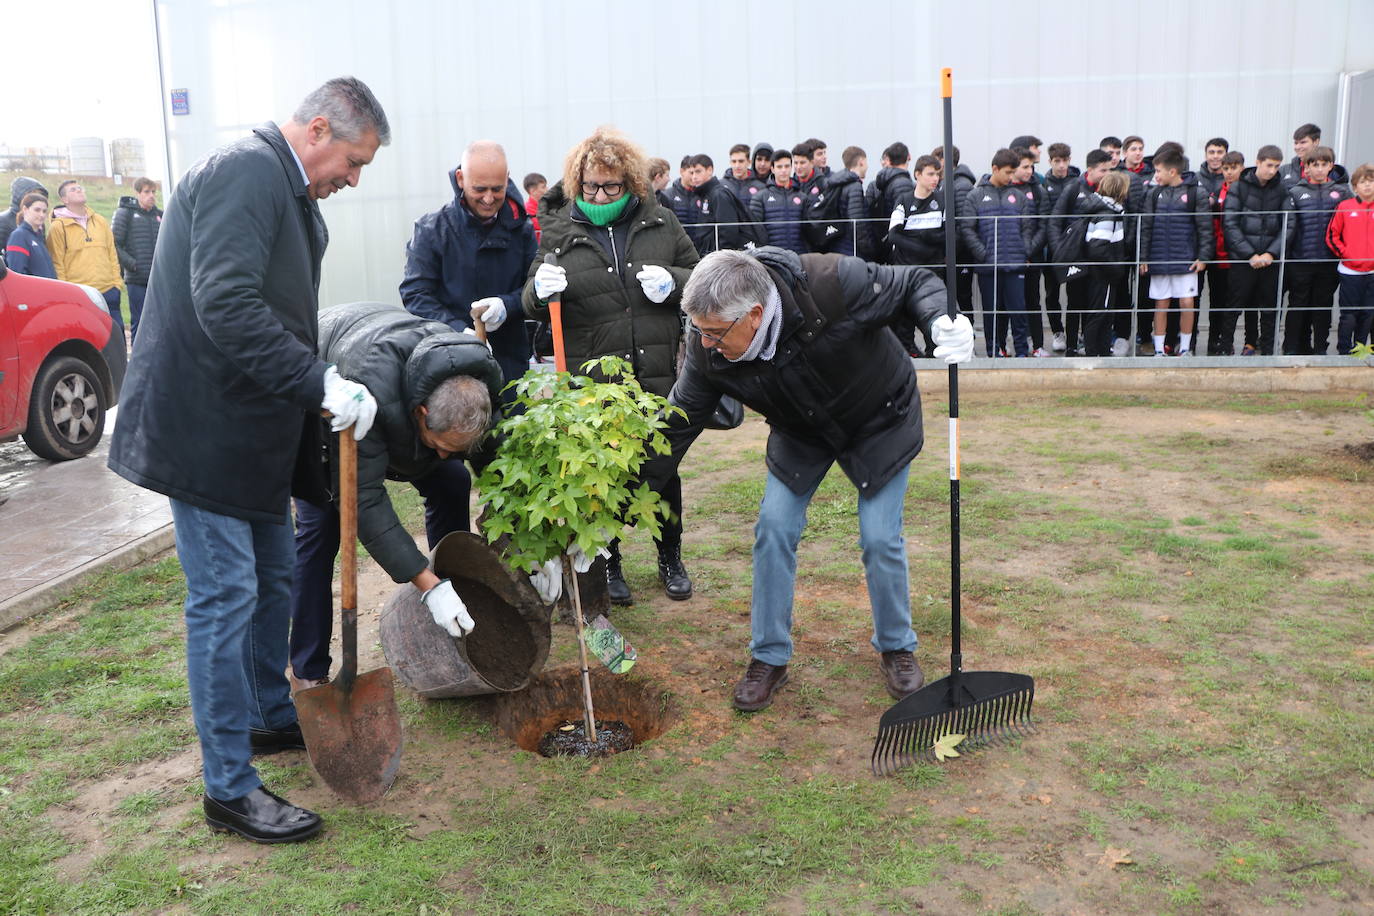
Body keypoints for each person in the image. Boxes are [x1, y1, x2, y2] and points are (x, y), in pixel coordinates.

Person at [107, 76, 390, 845]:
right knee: (226, 595)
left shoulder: (286, 190)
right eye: (354, 161)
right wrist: (316, 381)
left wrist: (318, 380)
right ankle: (228, 787)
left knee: (270, 578)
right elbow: (225, 304)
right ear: (320, 128)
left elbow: (280, 306)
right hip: (202, 430)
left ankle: (271, 712)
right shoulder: (245, 171)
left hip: (250, 433)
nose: (354, 180)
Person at [647, 246, 973, 711]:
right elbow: (672, 432)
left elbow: (915, 281)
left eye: (715, 334)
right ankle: (769, 656)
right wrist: (614, 509)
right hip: (801, 429)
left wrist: (940, 320)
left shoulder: (834, 284)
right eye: (698, 331)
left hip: (879, 417)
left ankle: (897, 647)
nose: (704, 344)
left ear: (754, 315)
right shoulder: (710, 354)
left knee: (880, 537)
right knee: (774, 529)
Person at [522, 127, 700, 604]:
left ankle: (670, 556)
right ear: (577, 183)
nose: (600, 195)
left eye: (611, 186)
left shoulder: (660, 222)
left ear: (631, 183)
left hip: (654, 370)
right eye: (591, 187)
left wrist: (675, 282)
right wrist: (539, 291)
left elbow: (701, 278)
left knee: (663, 470)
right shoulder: (559, 232)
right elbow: (532, 298)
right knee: (604, 474)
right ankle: (610, 561)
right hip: (596, 381)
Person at [289, 302, 504, 691]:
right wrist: (425, 584)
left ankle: (451, 598)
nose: (443, 454)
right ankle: (308, 668)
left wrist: (532, 542)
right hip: (329, 406)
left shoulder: (479, 382)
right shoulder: (370, 386)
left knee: (451, 478)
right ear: (421, 413)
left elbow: (499, 463)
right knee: (321, 529)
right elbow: (364, 501)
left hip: (392, 375)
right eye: (439, 444)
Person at [399, 140, 537, 391]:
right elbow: (416, 295)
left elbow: (533, 287)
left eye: (497, 189)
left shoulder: (522, 231)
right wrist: (458, 331)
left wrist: (507, 305)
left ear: (507, 179)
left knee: (512, 427)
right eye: (479, 189)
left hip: (510, 365)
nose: (488, 198)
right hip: (449, 365)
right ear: (461, 179)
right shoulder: (432, 230)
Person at [962, 148, 1042, 356]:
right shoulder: (975, 196)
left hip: (1015, 264)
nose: (1011, 176)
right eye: (1007, 172)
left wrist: (1024, 251)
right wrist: (983, 254)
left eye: (1013, 171)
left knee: (1018, 311)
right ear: (994, 169)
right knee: (992, 313)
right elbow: (967, 229)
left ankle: (1022, 352)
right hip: (989, 267)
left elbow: (1027, 227)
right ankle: (994, 350)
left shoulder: (1019, 196)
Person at [1138, 147, 1212, 357]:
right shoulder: (1153, 194)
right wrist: (1143, 257)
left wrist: (1203, 256)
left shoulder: (1196, 192)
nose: (1156, 175)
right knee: (1161, 304)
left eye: (1159, 171)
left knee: (1187, 303)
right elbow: (1146, 227)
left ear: (1172, 172)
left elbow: (1204, 228)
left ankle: (1186, 348)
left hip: (1186, 259)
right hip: (1159, 259)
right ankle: (1160, 350)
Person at [1282, 146, 1350, 354]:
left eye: (1324, 164)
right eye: (1315, 165)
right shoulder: (1295, 192)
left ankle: (1321, 348)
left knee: (1322, 307)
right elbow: (1289, 228)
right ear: (1307, 167)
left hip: (1329, 262)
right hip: (1300, 261)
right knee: (1297, 306)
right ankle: (1292, 348)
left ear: (1330, 166)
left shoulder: (1343, 193)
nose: (1319, 169)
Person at [1221, 145, 1288, 355]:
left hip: (1270, 261)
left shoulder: (1282, 189)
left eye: (1276, 166)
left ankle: (1268, 352)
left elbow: (1289, 225)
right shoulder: (1238, 188)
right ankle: (1224, 350)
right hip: (1243, 261)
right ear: (1258, 162)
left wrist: (1271, 254)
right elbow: (1230, 224)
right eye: (1269, 165)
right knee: (1233, 307)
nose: (1272, 170)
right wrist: (1249, 254)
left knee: (1269, 309)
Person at [1051, 149, 1115, 355]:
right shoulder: (1073, 188)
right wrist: (1060, 251)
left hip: (1098, 258)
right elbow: (1055, 220)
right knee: (1075, 303)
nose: (1107, 174)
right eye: (1103, 170)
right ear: (1090, 169)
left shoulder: (1110, 190)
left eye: (1109, 170)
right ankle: (1070, 345)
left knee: (1094, 304)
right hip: (1076, 258)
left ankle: (1091, 346)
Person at [47, 180, 124, 338]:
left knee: (117, 336)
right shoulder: (58, 227)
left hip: (109, 290)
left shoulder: (100, 221)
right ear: (65, 199)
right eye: (73, 190)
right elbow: (57, 264)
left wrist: (117, 283)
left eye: (80, 188)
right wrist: (67, 293)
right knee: (90, 338)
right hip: (81, 294)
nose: (79, 190)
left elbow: (112, 253)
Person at [1077, 171, 1135, 357]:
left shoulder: (1108, 211)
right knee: (1100, 313)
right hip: (1103, 274)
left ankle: (1101, 350)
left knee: (1104, 313)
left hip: (1101, 273)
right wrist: (1116, 267)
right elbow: (1097, 248)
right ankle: (1093, 352)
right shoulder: (1107, 215)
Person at [1325, 162, 1374, 354]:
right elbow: (1332, 235)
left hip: (1372, 272)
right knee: (1349, 315)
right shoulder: (1345, 206)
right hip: (1350, 271)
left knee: (1368, 313)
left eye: (1371, 181)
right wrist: (1346, 254)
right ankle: (1344, 350)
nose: (1367, 185)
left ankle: (1362, 348)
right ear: (1355, 187)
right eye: (1363, 182)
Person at [1012, 147, 1053, 356]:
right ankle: (1015, 343)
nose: (1029, 171)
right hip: (1010, 256)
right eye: (1025, 167)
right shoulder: (1005, 190)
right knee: (1012, 302)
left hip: (1033, 256)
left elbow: (1044, 225)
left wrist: (1029, 251)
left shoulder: (1038, 190)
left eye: (1031, 167)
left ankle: (1037, 345)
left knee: (1032, 300)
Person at [111, 177, 162, 343]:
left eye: (153, 192)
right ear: (137, 193)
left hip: (159, 279)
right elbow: (115, 244)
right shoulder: (125, 213)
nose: (151, 196)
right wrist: (132, 265)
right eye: (147, 192)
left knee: (160, 322)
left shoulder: (160, 216)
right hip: (137, 279)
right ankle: (137, 361)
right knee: (139, 322)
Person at [932, 144, 977, 322]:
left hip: (960, 254)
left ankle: (969, 335)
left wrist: (950, 251)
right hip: (950, 253)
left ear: (944, 160)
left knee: (963, 296)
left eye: (936, 161)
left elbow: (964, 224)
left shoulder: (961, 185)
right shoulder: (944, 184)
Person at [1205, 151, 1245, 354]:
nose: (1229, 172)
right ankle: (1214, 342)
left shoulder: (1247, 192)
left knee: (1233, 302)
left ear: (1242, 168)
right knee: (1216, 302)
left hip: (1238, 257)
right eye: (1226, 169)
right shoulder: (1217, 191)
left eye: (1233, 168)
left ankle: (1227, 342)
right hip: (1217, 255)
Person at [1041, 142, 1079, 351]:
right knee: (1051, 293)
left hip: (1074, 248)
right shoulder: (1044, 183)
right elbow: (1046, 218)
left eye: (1065, 160)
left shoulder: (1077, 182)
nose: (1062, 165)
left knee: (1076, 294)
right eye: (1057, 161)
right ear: (1050, 161)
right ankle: (1058, 331)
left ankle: (1075, 335)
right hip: (1052, 249)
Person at [688, 153, 752, 254]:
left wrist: (722, 257)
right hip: (707, 255)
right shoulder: (705, 194)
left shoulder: (719, 194)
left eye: (698, 172)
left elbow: (728, 231)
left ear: (709, 170)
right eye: (691, 173)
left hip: (718, 258)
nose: (694, 177)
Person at [750, 148, 807, 254]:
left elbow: (808, 230)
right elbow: (755, 231)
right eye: (779, 167)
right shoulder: (760, 197)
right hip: (771, 255)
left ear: (791, 168)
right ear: (772, 169)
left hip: (799, 255)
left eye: (787, 166)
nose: (783, 170)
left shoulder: (802, 197)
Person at [821, 145, 870, 259]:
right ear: (861, 162)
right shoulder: (854, 186)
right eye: (866, 162)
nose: (867, 166)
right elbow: (856, 222)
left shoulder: (835, 182)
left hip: (836, 246)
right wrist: (869, 248)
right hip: (851, 249)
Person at [4, 191, 56, 277]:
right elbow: (17, 273)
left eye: (44, 211)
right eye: (37, 210)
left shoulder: (38, 237)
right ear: (25, 209)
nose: (41, 215)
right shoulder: (19, 236)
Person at [0, 176, 47, 241]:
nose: (35, 198)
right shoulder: (3, 221)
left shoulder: (38, 220)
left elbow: (41, 248)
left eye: (39, 194)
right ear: (19, 195)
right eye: (31, 194)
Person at [523, 172, 547, 242]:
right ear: (532, 191)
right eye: (543, 187)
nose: (547, 189)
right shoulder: (526, 211)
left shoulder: (547, 208)